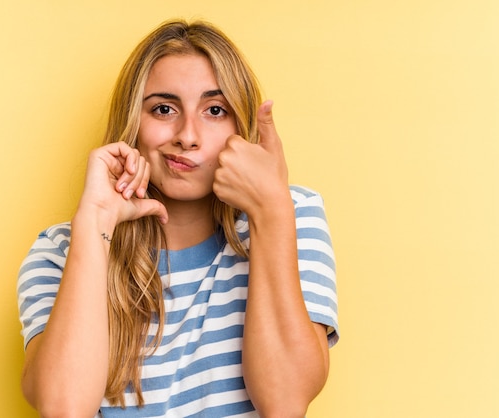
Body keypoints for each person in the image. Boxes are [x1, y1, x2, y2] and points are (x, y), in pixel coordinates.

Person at [17, 19, 339, 418]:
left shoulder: (289, 215)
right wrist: (97, 220)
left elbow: (285, 403)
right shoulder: (61, 252)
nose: (188, 135)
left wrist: (270, 211)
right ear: (133, 122)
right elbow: (63, 407)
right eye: (164, 109)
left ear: (242, 126)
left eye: (215, 110)